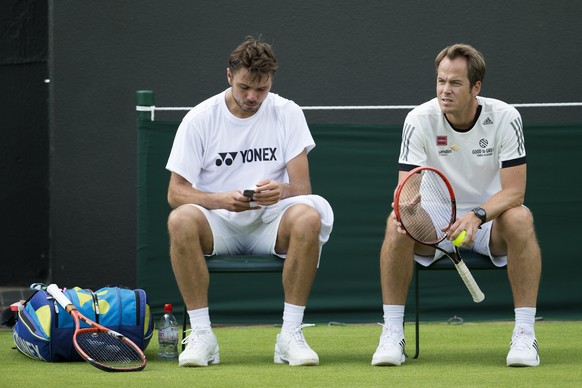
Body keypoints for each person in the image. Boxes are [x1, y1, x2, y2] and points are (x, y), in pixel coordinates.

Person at [165, 36, 333, 367]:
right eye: (245, 88)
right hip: (218, 224)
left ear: (271, 82)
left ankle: (290, 334)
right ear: (229, 76)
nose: (253, 97)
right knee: (180, 220)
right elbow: (175, 193)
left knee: (308, 217)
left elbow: (302, 186)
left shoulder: (288, 112)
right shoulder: (199, 118)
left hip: (271, 222)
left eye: (262, 89)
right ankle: (202, 335)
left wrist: (281, 191)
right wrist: (219, 200)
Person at [371, 43, 542, 367]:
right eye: (440, 81)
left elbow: (515, 192)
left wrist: (477, 216)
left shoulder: (505, 117)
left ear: (476, 87)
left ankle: (524, 334)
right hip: (435, 221)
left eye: (455, 83)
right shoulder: (419, 119)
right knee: (395, 224)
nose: (444, 90)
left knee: (521, 218)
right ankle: (392, 333)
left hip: (490, 219)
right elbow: (407, 189)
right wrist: (406, 209)